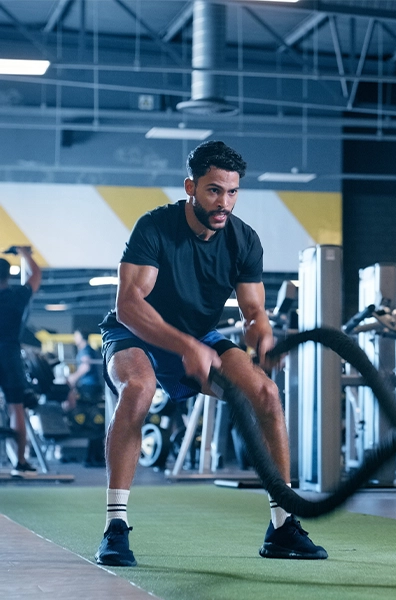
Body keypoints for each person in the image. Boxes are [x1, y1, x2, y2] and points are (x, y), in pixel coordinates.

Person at [95, 140, 327, 567]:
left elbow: (254, 311)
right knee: (139, 388)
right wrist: (185, 346)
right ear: (191, 187)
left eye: (233, 191)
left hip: (199, 335)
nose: (224, 202)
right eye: (214, 190)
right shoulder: (155, 227)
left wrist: (264, 339)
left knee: (266, 395)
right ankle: (115, 527)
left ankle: (282, 526)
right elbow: (129, 304)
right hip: (135, 334)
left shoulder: (243, 240)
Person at [0, 246, 42, 475]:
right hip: (10, 354)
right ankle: (20, 460)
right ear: (8, 275)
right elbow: (35, 275)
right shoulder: (16, 296)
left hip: (9, 352)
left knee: (16, 407)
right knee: (17, 408)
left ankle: (19, 459)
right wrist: (24, 253)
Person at [64, 329, 103, 411]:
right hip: (92, 385)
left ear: (81, 337)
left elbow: (86, 366)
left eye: (76, 336)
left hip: (88, 386)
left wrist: (73, 377)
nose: (74, 338)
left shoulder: (85, 350)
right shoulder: (88, 349)